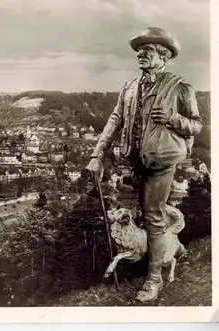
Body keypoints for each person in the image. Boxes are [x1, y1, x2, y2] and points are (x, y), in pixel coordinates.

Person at [85, 27, 202, 302]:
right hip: (136, 160)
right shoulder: (129, 87)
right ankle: (174, 251)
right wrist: (97, 154)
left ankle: (154, 280)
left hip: (163, 160)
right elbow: (115, 120)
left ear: (163, 55)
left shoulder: (180, 86)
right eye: (139, 50)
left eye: (146, 50)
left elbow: (196, 124)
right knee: (148, 216)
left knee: (153, 216)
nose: (140, 54)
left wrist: (173, 119)